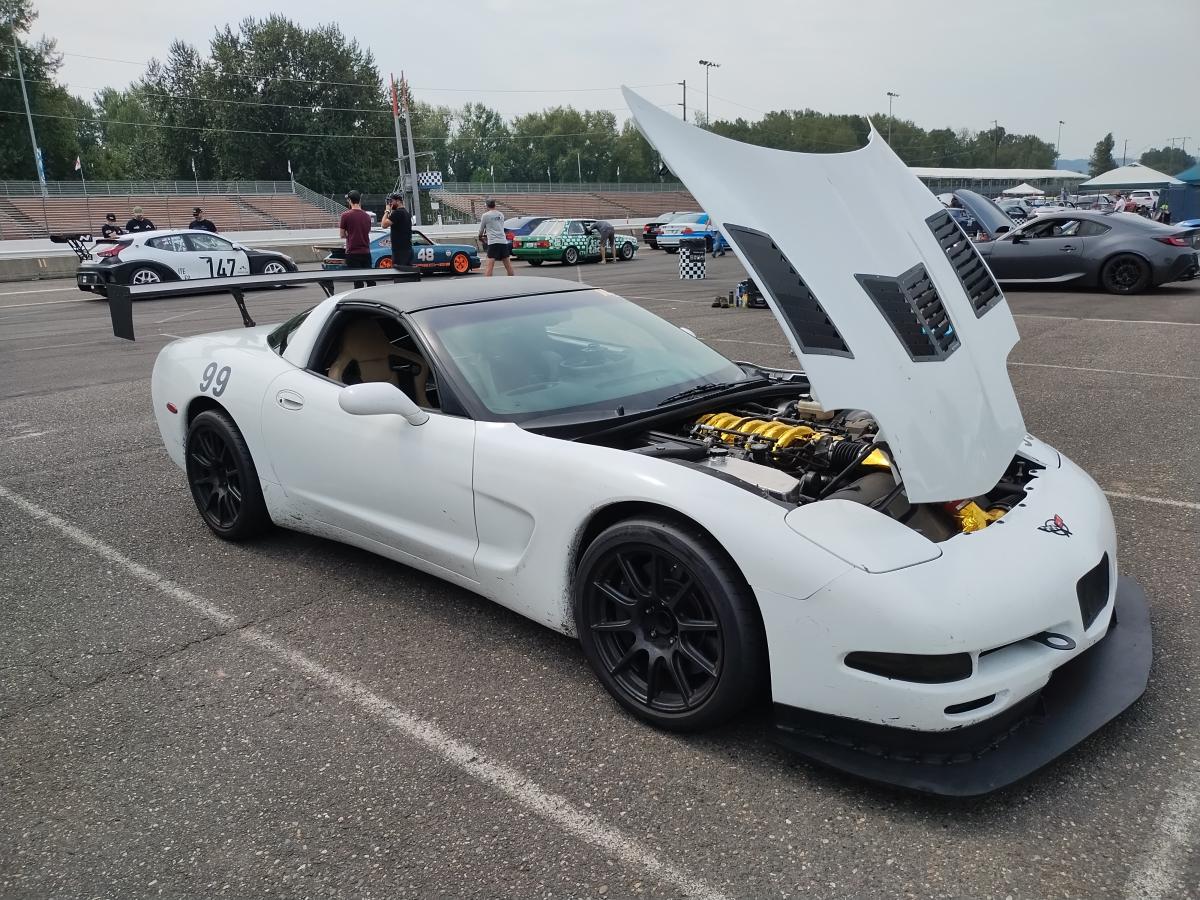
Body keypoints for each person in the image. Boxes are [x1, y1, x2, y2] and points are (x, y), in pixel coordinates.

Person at [339, 190, 375, 288]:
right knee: (370, 280)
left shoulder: (345, 215)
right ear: (359, 200)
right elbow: (367, 231)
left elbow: (342, 234)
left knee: (358, 282)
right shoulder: (367, 216)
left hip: (352, 252)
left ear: (349, 200)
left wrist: (351, 234)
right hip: (366, 252)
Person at [478, 199, 513, 276]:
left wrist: (480, 237)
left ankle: (488, 284)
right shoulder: (501, 214)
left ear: (486, 206)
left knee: (489, 266)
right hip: (503, 241)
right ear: (495, 205)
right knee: (508, 265)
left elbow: (481, 229)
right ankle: (512, 280)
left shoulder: (485, 215)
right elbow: (500, 226)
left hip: (493, 242)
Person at [380, 192, 413, 267]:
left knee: (399, 273)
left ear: (398, 201)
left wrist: (387, 211)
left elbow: (383, 224)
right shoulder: (406, 213)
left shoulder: (397, 213)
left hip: (400, 251)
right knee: (406, 272)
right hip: (407, 248)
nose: (390, 204)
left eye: (392, 201)